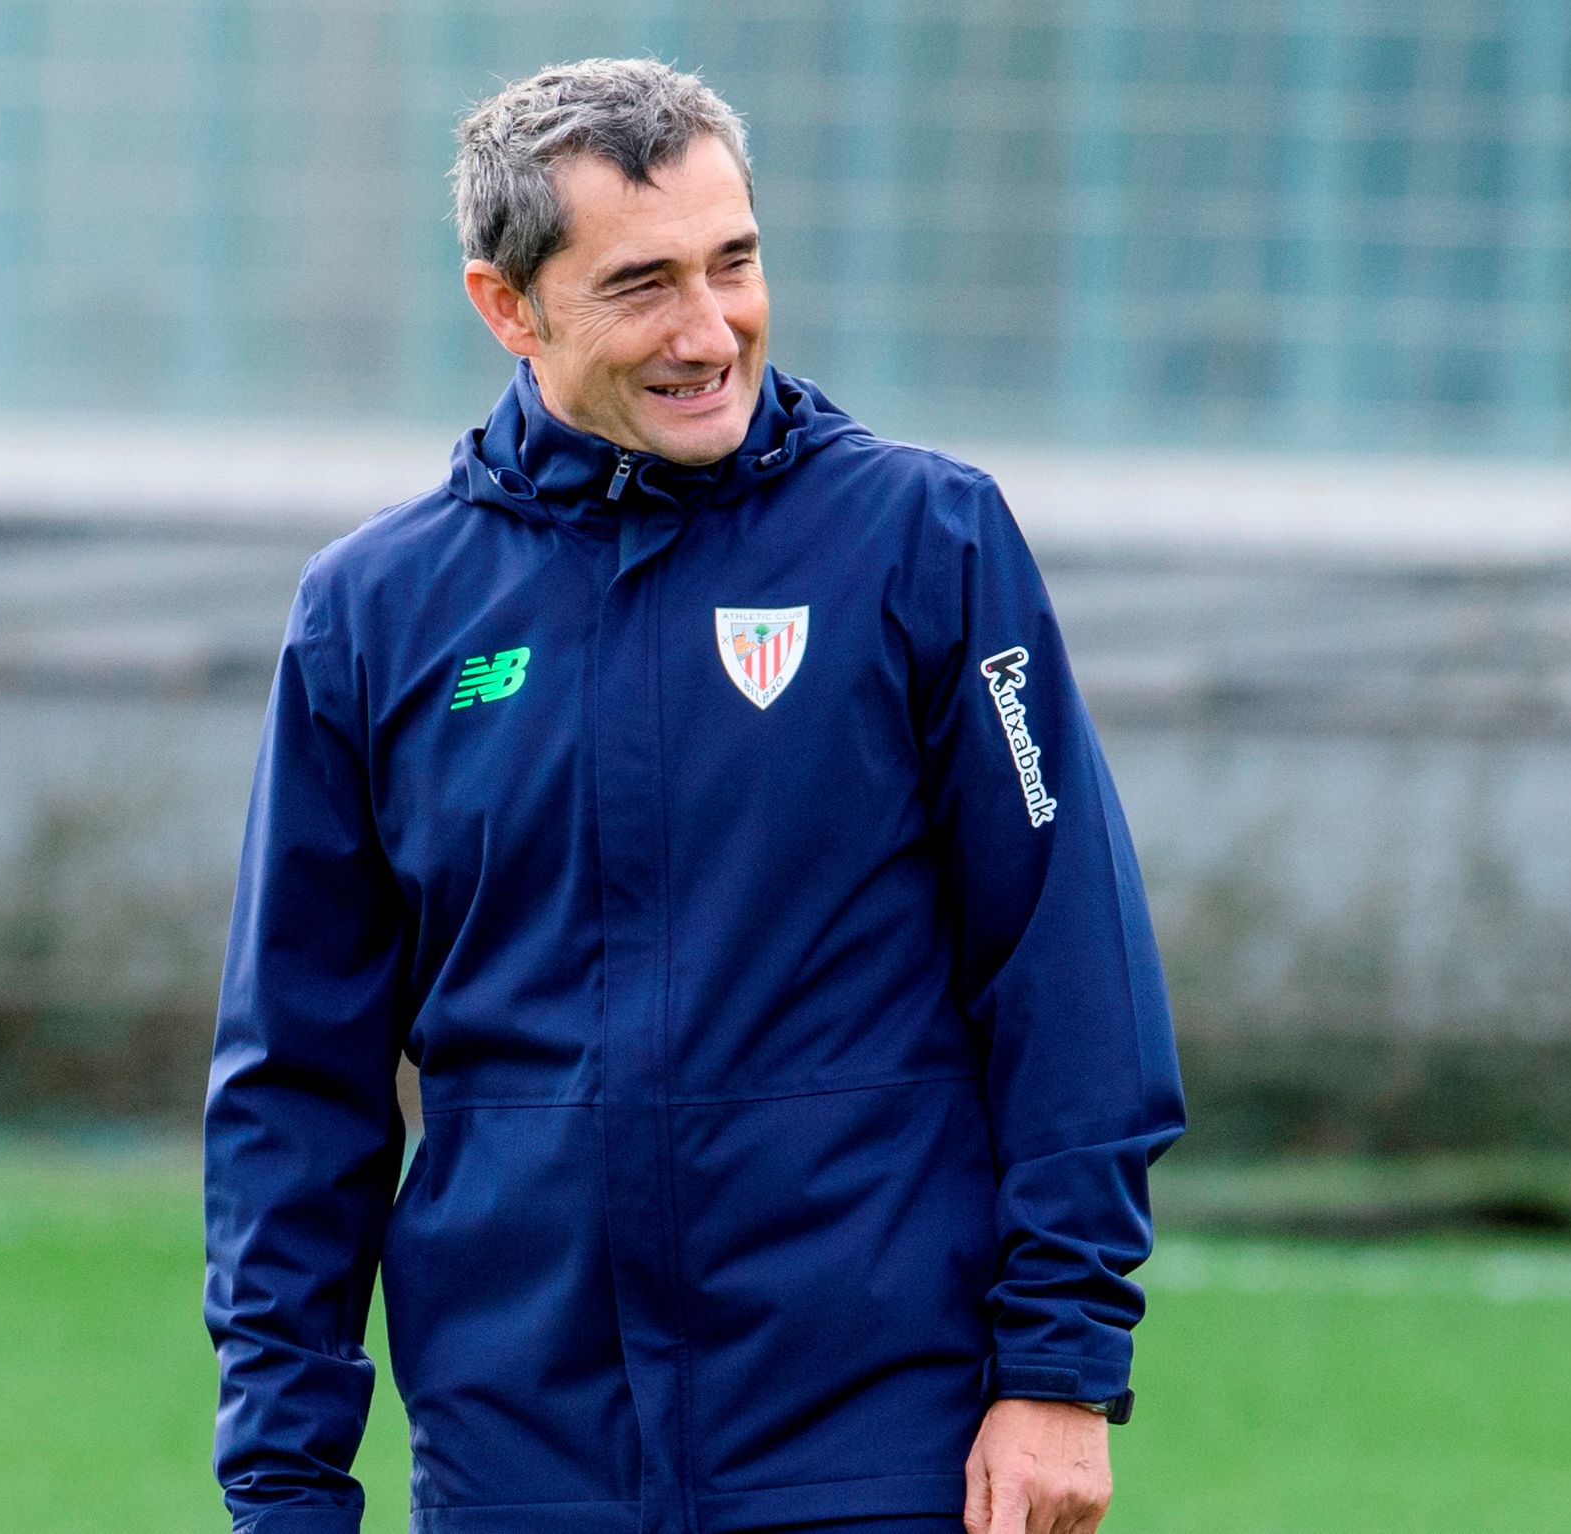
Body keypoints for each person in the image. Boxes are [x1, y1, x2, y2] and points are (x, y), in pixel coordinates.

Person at [204, 57, 1186, 1534]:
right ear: (508, 307)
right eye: (641, 284)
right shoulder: (375, 614)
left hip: (874, 1451)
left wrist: (1060, 1363)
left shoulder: (927, 544)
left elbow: (1071, 975)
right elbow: (296, 1083)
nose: (708, 330)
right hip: (521, 1464)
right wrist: (283, 1480)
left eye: (733, 262)